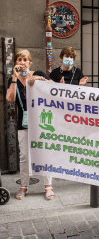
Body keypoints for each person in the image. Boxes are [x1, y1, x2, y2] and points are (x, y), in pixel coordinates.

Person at [6, 49, 55, 200]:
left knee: (44, 152)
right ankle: (24, 186)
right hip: (24, 122)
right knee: (24, 156)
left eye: (25, 59)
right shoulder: (12, 79)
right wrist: (14, 77)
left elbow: (53, 86)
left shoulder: (38, 73)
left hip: (41, 121)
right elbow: (10, 98)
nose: (22, 62)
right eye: (19, 59)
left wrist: (38, 78)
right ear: (15, 63)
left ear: (30, 62)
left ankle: (48, 186)